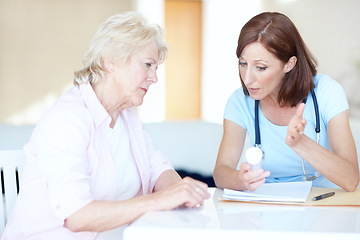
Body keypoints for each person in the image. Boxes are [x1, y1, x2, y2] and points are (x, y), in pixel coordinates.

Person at [2, 12, 210, 240]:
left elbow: (155, 166)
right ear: (111, 61)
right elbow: (77, 215)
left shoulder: (125, 115)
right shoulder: (67, 119)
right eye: (148, 65)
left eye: (155, 68)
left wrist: (179, 191)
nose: (154, 78)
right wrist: (159, 200)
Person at [213, 12, 359, 192]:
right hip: (268, 207)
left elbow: (351, 179)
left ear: (289, 64)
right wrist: (239, 179)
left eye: (260, 67)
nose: (247, 78)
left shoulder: (327, 91)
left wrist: (301, 143)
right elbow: (220, 173)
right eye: (243, 64)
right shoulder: (239, 102)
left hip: (323, 203)